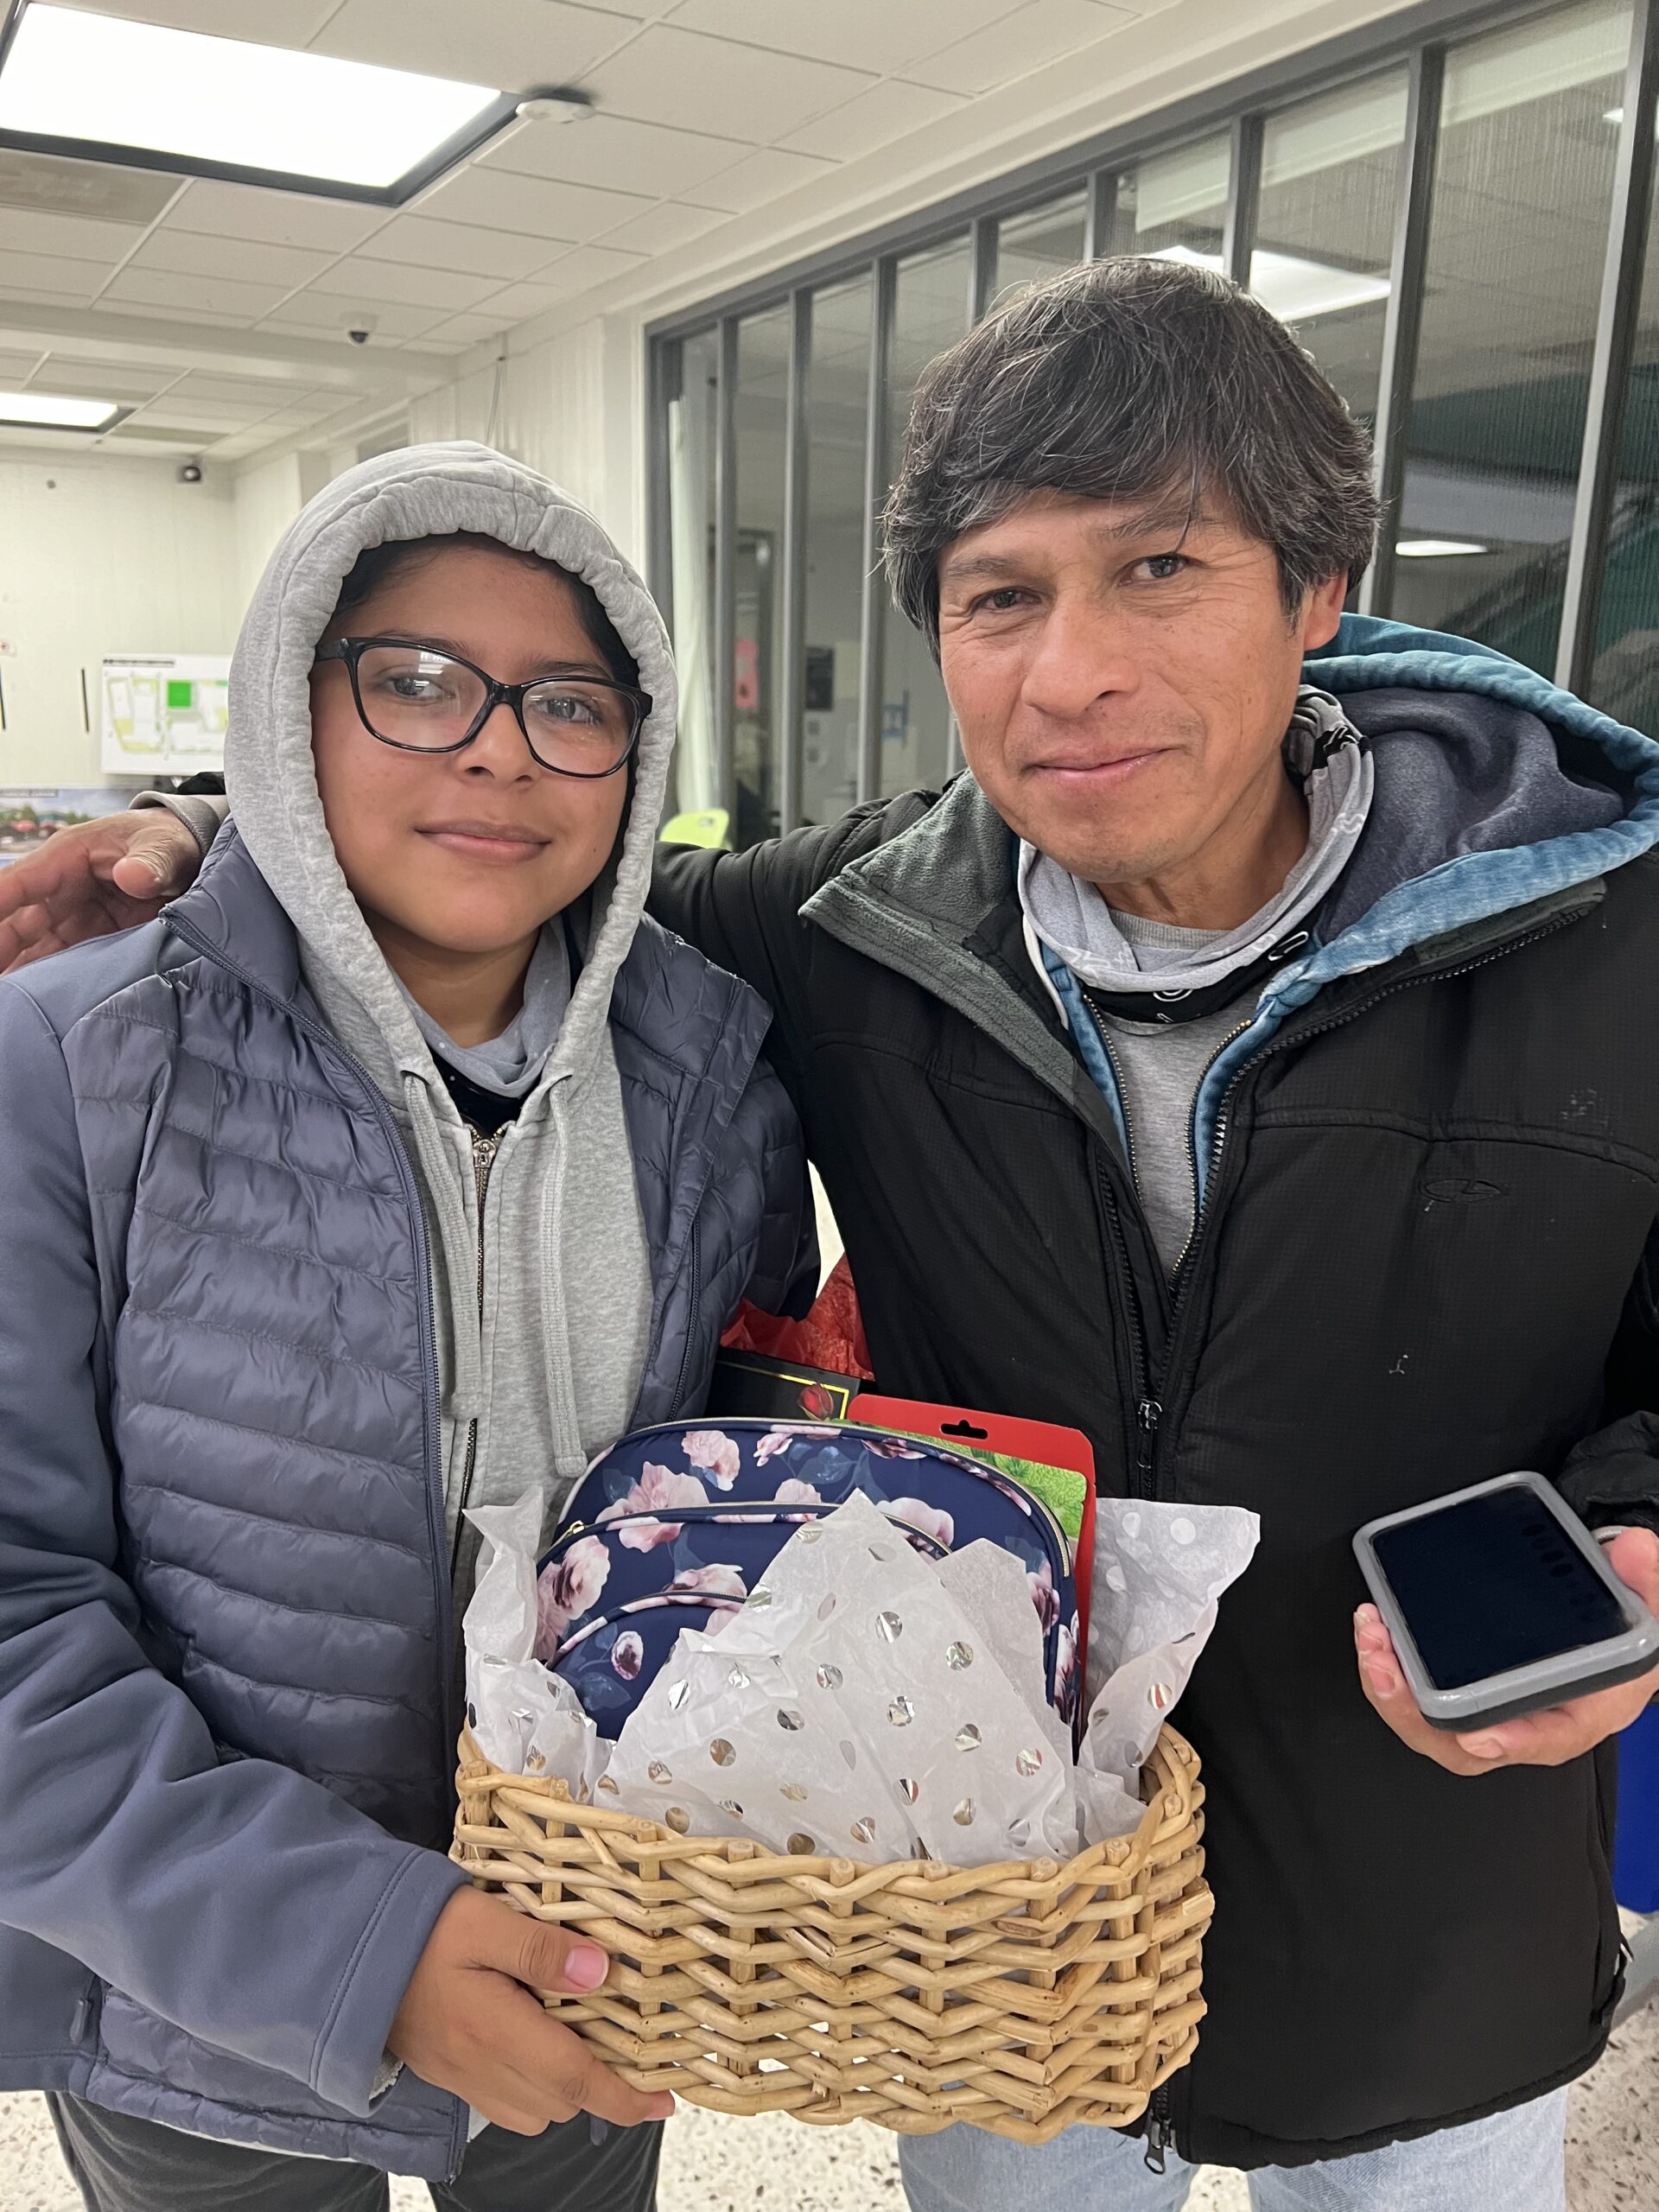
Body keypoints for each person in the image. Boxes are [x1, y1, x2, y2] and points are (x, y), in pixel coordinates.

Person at [7, 259, 1659, 2210]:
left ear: (1317, 593)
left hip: (1424, 1924)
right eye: (1001, 595)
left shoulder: (1605, 938)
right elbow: (493, 874)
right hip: (976, 1922)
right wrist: (207, 847)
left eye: (1159, 570)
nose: (1072, 671)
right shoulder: (837, 936)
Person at [0, 443, 814, 2210]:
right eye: (420, 682)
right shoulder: (68, 1070)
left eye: (571, 702)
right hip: (197, 2011)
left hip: (601, 1977)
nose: (501, 748)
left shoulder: (716, 1071)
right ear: (296, 708)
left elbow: (732, 1487)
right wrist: (353, 1941)